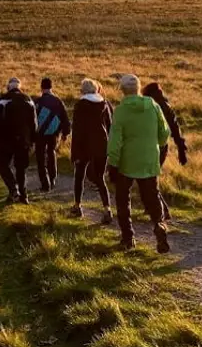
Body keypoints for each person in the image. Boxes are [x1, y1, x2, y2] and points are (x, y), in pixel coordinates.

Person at [106, 74, 171, 253]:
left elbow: (115, 140)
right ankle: (159, 225)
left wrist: (113, 162)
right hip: (149, 158)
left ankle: (128, 238)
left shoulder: (121, 110)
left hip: (126, 162)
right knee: (152, 196)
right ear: (139, 88)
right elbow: (165, 132)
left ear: (122, 90)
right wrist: (155, 144)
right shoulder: (153, 105)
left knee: (122, 199)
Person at [142, 82, 188, 222]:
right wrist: (181, 149)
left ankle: (162, 209)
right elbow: (175, 128)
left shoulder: (150, 107)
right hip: (163, 147)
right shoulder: (167, 107)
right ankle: (151, 207)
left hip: (151, 146)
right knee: (150, 177)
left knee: (148, 178)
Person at [70, 78, 114, 223]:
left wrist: (74, 152)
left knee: (79, 175)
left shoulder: (80, 105)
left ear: (83, 90)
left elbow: (76, 130)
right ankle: (107, 209)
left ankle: (77, 206)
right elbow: (109, 126)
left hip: (84, 145)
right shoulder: (105, 104)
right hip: (102, 144)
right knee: (100, 178)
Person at [0, 78, 37, 204]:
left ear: (8, 87)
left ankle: (13, 189)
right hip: (23, 140)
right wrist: (33, 140)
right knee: (21, 168)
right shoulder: (28, 100)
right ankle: (24, 196)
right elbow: (34, 122)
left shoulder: (4, 100)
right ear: (19, 87)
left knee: (3, 165)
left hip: (7, 139)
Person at [34, 77, 71, 191]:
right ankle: (53, 178)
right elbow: (65, 118)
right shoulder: (58, 101)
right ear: (51, 87)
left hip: (40, 133)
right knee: (51, 153)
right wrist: (65, 133)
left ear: (41, 87)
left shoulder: (38, 101)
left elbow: (33, 119)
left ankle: (45, 183)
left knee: (40, 157)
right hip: (54, 133)